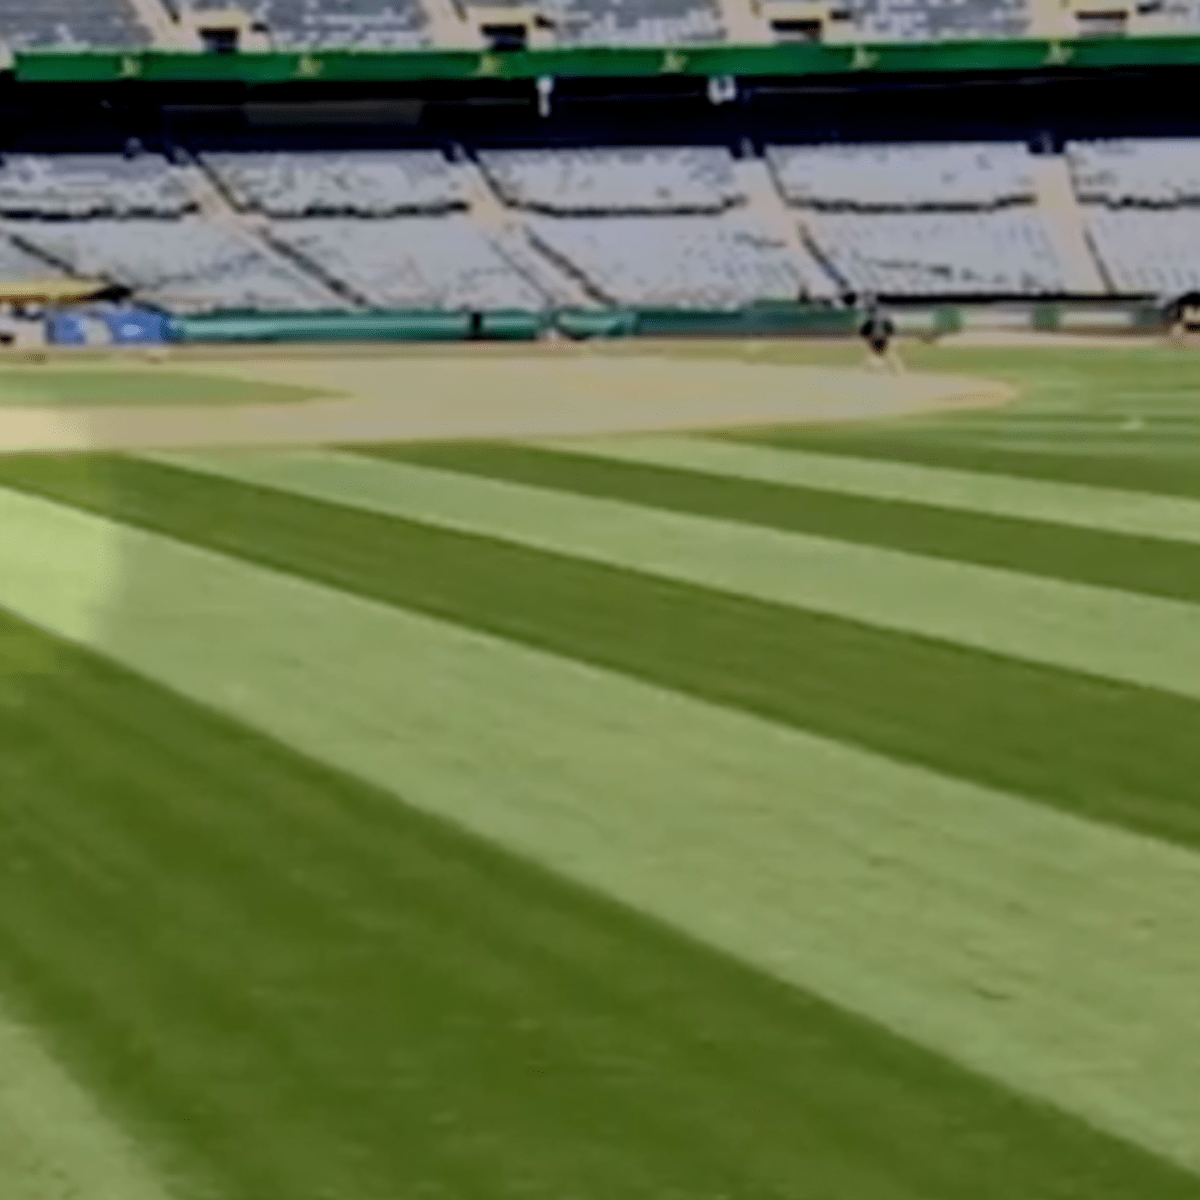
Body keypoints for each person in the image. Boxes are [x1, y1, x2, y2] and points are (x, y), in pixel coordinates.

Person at [859, 298, 903, 373]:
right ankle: (893, 367)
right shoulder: (872, 317)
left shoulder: (872, 317)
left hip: (879, 336)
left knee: (889, 353)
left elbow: (864, 332)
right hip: (879, 336)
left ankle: (893, 367)